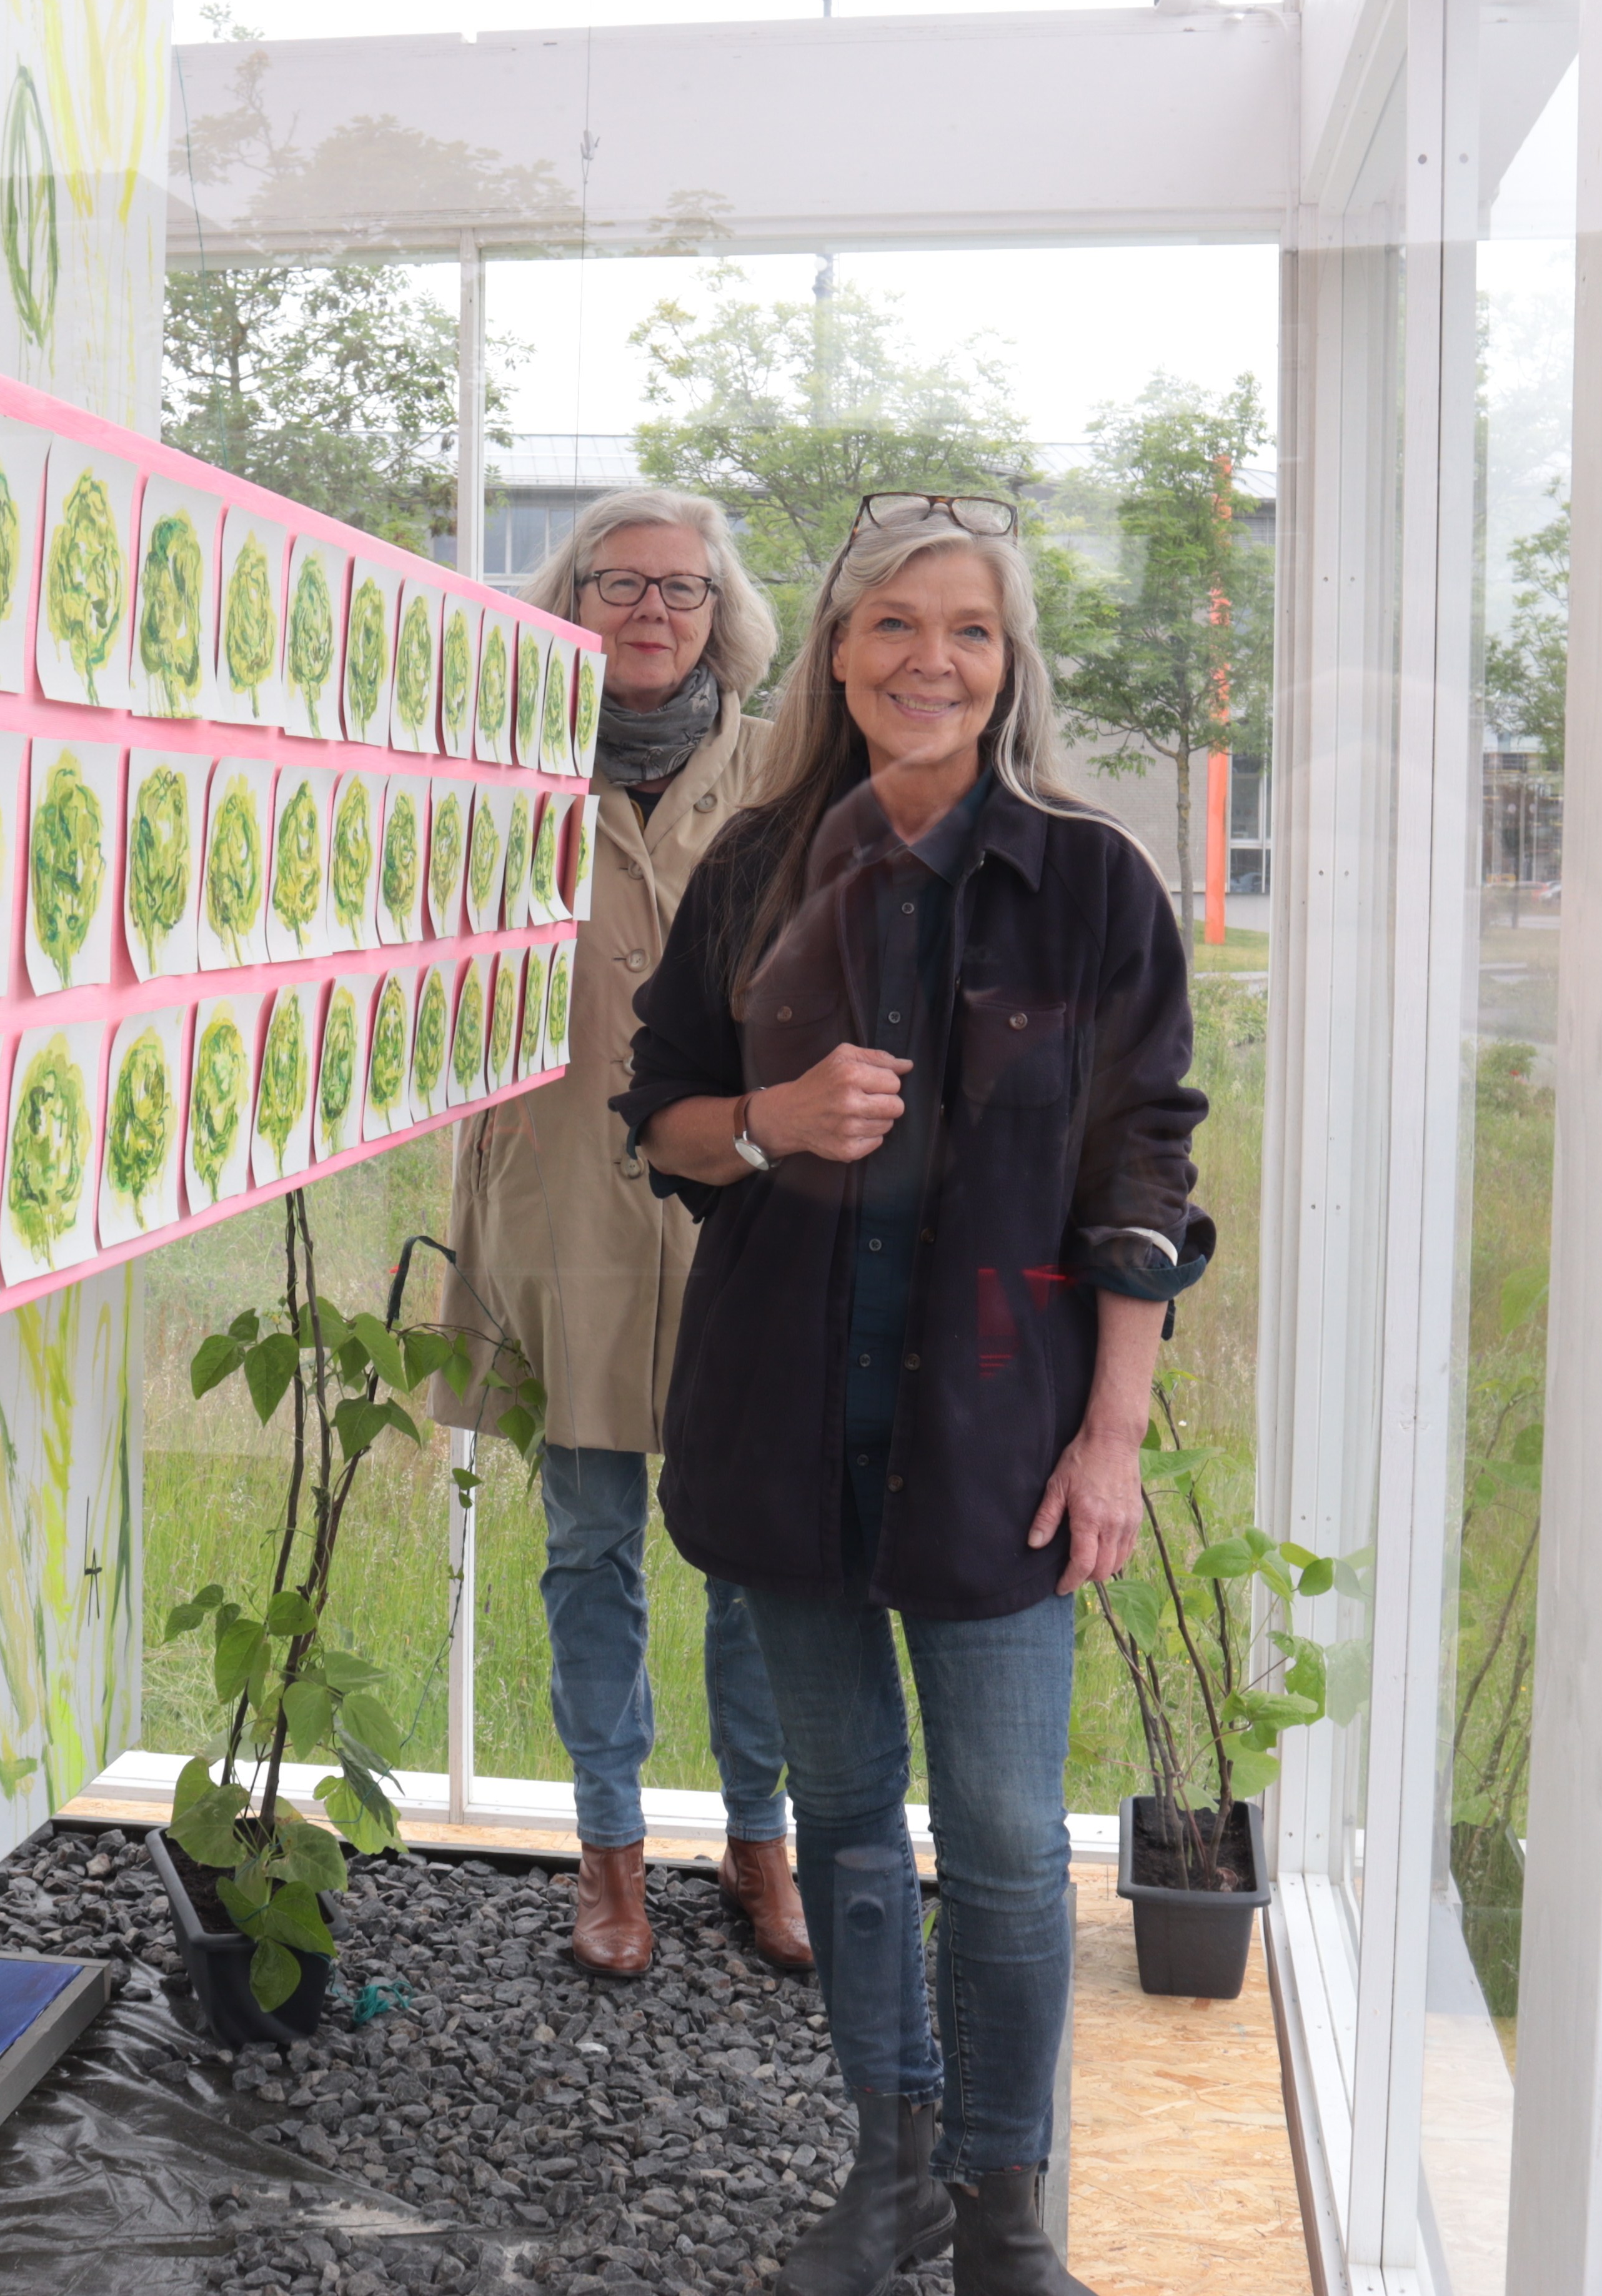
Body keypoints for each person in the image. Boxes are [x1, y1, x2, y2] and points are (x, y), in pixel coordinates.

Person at [615, 494, 1209, 2296]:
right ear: (835, 654)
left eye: (964, 629)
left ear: (1007, 663)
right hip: (784, 1425)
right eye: (889, 626)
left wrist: (1112, 1437)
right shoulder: (749, 869)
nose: (926, 661)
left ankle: (1004, 2211)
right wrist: (769, 1128)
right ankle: (888, 2171)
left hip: (999, 1446)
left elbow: (1144, 1175)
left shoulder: (1092, 880)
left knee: (1018, 1845)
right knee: (852, 1814)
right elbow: (661, 1115)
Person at [437, 486, 812, 1979]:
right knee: (590, 1537)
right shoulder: (497, 763)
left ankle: (758, 1838)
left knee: (751, 1547)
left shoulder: (792, 771)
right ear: (570, 600)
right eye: (620, 585)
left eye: (682, 588)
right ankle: (608, 1851)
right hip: (560, 1194)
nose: (651, 613)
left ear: (724, 612)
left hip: (749, 1198)